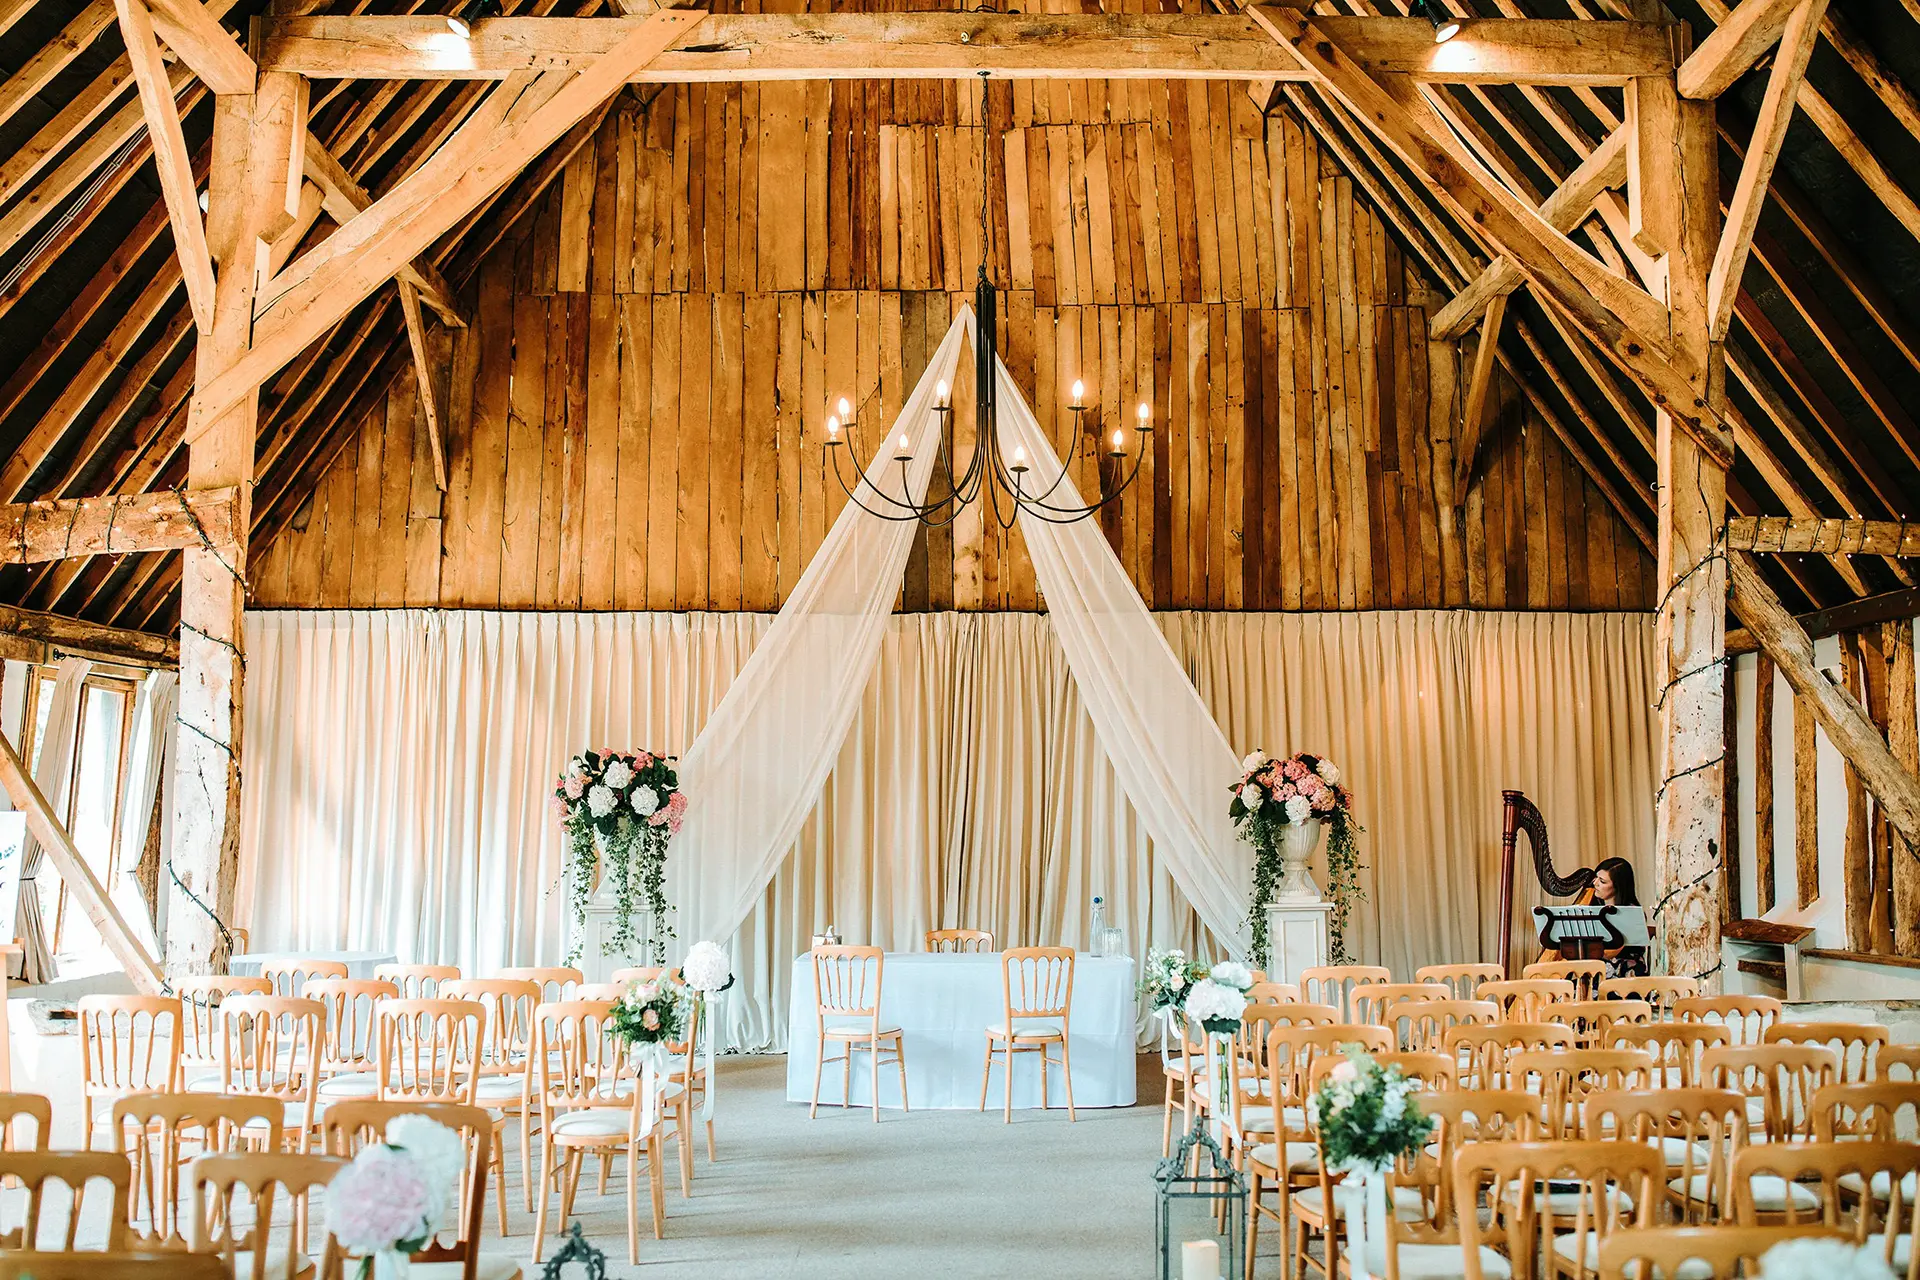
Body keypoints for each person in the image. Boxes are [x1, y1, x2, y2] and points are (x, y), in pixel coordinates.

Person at [1591, 856, 1648, 980]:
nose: (1595, 883)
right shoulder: (1597, 907)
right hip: (1602, 969)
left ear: (1618, 886)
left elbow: (1610, 953)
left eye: (1602, 881)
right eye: (1596, 878)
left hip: (1625, 973)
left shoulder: (1631, 912)